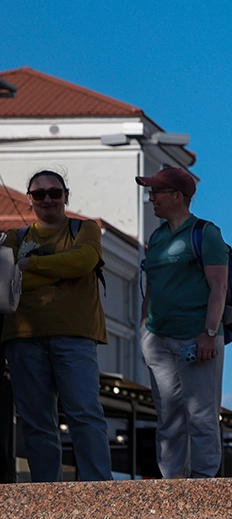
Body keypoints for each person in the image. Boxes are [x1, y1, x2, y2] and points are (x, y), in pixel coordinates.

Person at [0, 171, 112, 482]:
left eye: (55, 192)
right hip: (22, 338)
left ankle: (99, 488)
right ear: (29, 200)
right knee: (35, 421)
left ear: (66, 195)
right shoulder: (13, 237)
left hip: (74, 335)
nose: (48, 199)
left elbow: (84, 261)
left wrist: (30, 266)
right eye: (39, 194)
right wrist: (60, 270)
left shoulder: (85, 229)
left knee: (84, 414)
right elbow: (7, 281)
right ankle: (45, 491)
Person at [136, 166, 229, 479]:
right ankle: (173, 484)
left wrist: (210, 334)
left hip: (196, 339)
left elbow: (219, 286)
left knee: (201, 417)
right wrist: (144, 331)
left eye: (157, 192)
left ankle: (203, 484)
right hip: (159, 340)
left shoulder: (206, 233)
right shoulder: (157, 238)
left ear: (178, 196)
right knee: (168, 418)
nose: (151, 199)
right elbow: (151, 287)